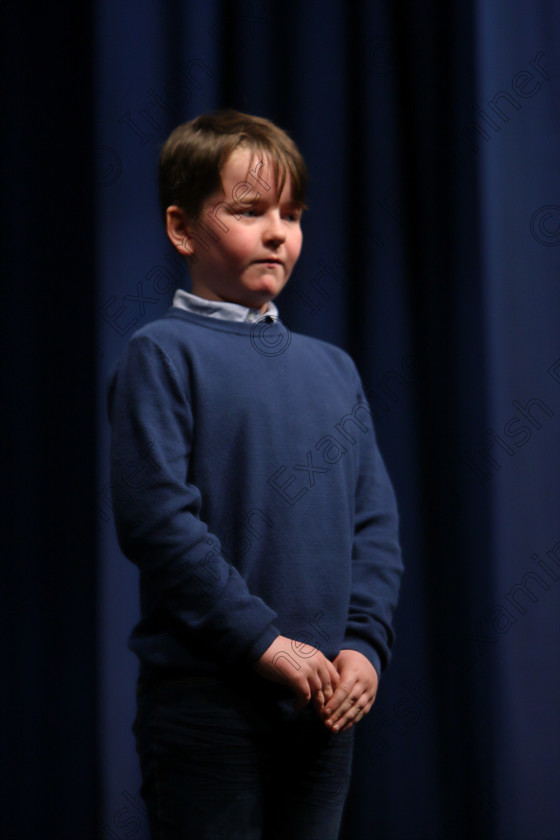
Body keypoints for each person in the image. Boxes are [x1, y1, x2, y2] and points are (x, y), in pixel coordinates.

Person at [107, 109, 403, 840]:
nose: (278, 232)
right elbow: (159, 523)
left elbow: (374, 525)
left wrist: (364, 645)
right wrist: (262, 642)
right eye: (249, 211)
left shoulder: (334, 369)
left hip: (322, 709)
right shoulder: (162, 353)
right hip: (210, 706)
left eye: (292, 214)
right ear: (182, 229)